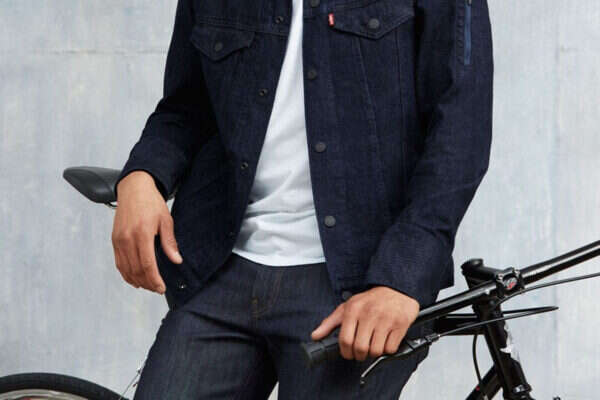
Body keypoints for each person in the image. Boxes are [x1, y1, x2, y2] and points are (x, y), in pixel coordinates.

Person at [111, 0, 493, 398]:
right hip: (221, 272)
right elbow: (186, 106)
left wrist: (401, 280)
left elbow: (461, 134)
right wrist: (142, 177)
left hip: (356, 287)